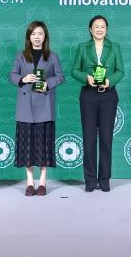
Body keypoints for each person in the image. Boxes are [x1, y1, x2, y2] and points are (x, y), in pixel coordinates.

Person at [9, 21, 65, 197]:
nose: (37, 37)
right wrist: (24, 79)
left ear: (45, 36)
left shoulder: (53, 56)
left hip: (44, 105)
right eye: (33, 34)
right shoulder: (21, 56)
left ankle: (42, 182)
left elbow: (60, 76)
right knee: (27, 146)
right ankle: (29, 182)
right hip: (25, 106)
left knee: (43, 145)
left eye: (40, 33)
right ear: (29, 37)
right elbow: (12, 75)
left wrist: (47, 83)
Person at [71, 15, 124, 192]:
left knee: (107, 138)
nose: (99, 29)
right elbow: (74, 70)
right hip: (88, 95)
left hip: (108, 96)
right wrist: (86, 77)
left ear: (106, 29)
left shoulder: (114, 47)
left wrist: (110, 81)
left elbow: (120, 71)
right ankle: (90, 179)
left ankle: (105, 178)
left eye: (102, 26)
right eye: (96, 26)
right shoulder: (82, 47)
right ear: (90, 29)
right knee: (89, 139)